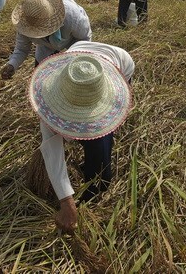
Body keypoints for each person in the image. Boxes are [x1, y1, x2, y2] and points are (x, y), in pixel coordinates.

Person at [29, 41, 134, 232]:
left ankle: (92, 194)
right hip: (78, 54)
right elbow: (51, 149)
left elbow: (111, 116)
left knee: (101, 147)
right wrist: (66, 201)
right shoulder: (48, 100)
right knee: (68, 133)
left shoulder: (122, 64)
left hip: (119, 61)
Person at [0, 0, 92, 80]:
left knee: (72, 78)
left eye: (41, 30)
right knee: (40, 78)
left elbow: (84, 40)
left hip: (73, 43)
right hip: (45, 48)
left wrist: (76, 60)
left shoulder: (73, 17)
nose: (37, 33)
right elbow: (22, 49)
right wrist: (12, 65)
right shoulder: (26, 22)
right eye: (34, 31)